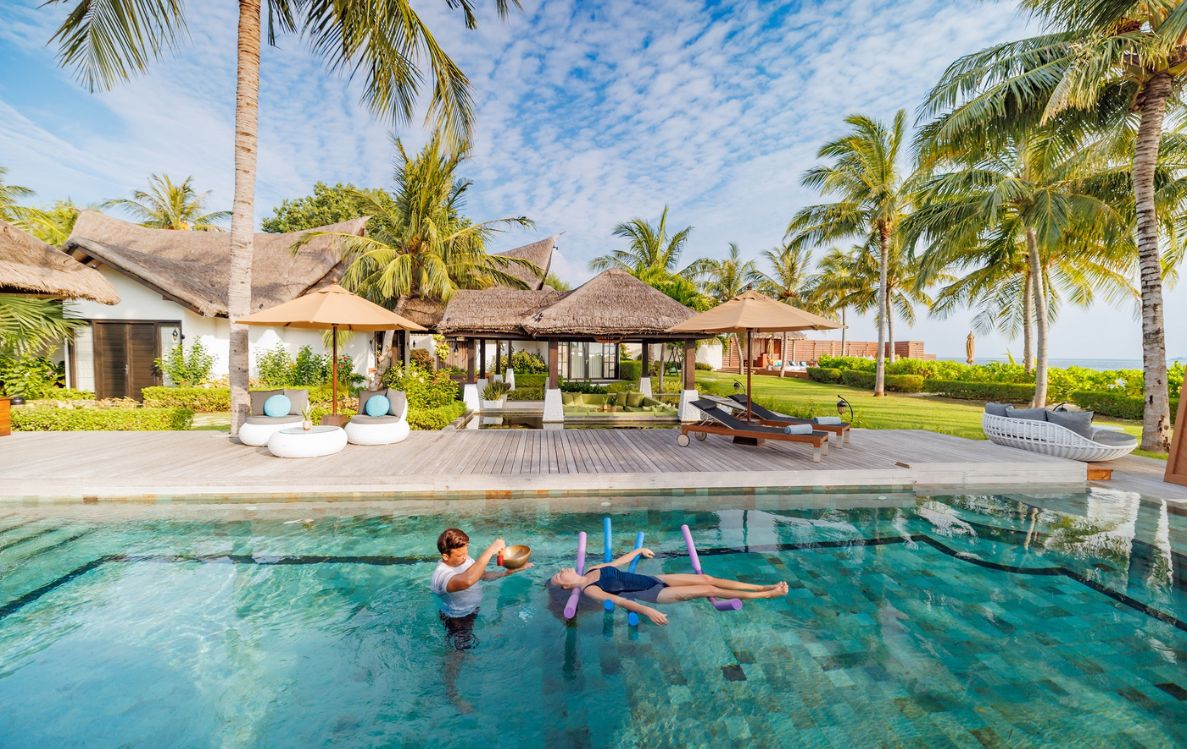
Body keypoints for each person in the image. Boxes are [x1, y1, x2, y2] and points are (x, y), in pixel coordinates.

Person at [550, 547, 788, 625]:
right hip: (654, 594)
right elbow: (620, 601)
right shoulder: (590, 589)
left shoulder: (593, 569)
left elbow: (618, 562)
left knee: (708, 579)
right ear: (566, 587)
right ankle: (767, 595)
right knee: (709, 590)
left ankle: (761, 586)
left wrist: (639, 550)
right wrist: (648, 611)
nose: (562, 571)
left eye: (560, 571)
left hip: (654, 579)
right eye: (559, 576)